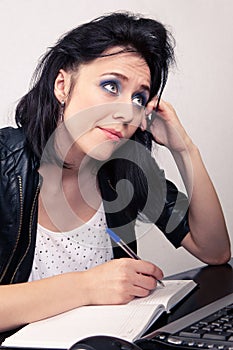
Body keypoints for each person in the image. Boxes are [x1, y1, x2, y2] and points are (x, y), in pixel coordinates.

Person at [0, 11, 230, 335]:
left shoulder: (126, 170)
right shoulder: (5, 163)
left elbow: (215, 250)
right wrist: (88, 287)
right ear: (63, 85)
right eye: (111, 86)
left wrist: (185, 149)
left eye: (139, 98)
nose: (126, 112)